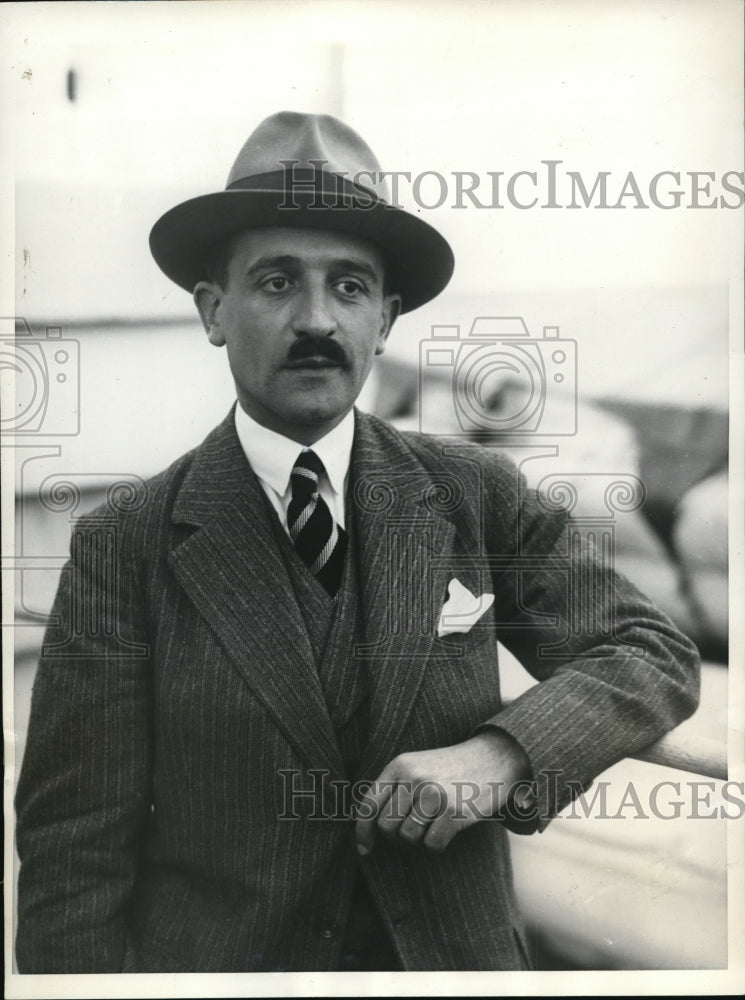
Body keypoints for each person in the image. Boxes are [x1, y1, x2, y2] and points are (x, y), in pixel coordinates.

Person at [15, 111, 700, 973]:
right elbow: (73, 859)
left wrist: (502, 753)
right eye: (274, 282)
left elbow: (651, 651)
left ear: (385, 318)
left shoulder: (474, 494)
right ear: (212, 310)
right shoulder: (122, 547)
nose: (316, 321)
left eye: (348, 287)